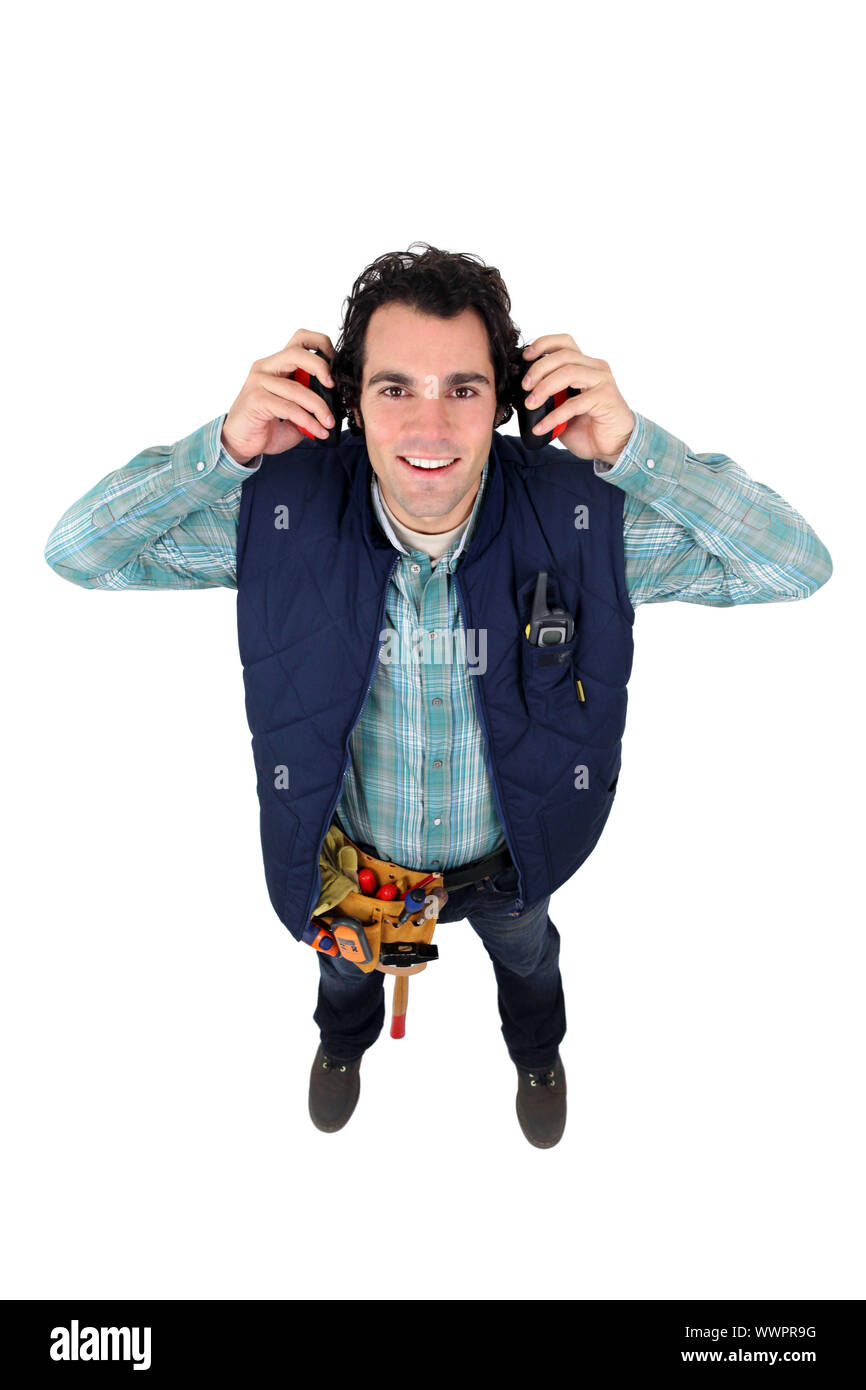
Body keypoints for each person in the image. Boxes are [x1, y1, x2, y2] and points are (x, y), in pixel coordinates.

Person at [44, 242, 833, 1148]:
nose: (430, 427)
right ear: (348, 403)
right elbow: (78, 554)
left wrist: (637, 452)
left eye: (462, 389)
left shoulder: (583, 521)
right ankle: (344, 1045)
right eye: (394, 389)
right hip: (355, 869)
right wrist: (220, 452)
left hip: (511, 862)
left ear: (505, 401)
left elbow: (798, 567)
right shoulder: (279, 517)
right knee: (342, 980)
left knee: (530, 959)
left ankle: (537, 1054)